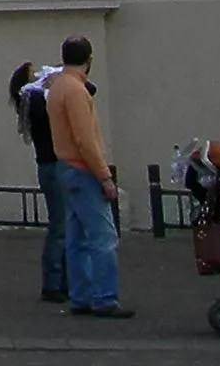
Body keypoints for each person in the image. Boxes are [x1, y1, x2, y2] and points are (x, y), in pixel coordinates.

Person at [47, 37, 133, 320]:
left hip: (64, 167)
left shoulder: (58, 86)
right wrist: (105, 176)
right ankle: (105, 297)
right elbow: (85, 140)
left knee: (76, 236)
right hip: (83, 169)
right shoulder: (76, 90)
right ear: (90, 59)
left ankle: (80, 296)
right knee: (103, 236)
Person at [9, 61, 68, 304]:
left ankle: (62, 281)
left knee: (63, 224)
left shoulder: (37, 101)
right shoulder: (35, 102)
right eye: (35, 74)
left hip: (51, 166)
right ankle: (53, 283)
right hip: (53, 166)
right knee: (60, 225)